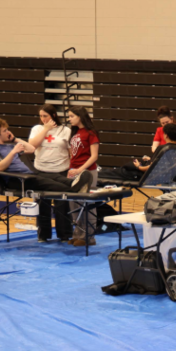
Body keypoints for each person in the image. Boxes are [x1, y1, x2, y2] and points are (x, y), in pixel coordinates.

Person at [0, 116, 90, 242]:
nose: (8, 132)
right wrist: (13, 153)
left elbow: (31, 149)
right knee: (48, 183)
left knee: (53, 176)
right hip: (17, 180)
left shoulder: (10, 146)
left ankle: (75, 183)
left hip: (29, 175)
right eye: (5, 130)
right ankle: (75, 189)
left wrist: (16, 139)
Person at [26, 104, 75, 242]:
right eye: (41, 116)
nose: (42, 119)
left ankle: (64, 234)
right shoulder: (37, 129)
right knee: (42, 204)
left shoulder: (65, 130)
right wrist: (45, 130)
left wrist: (72, 169)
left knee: (62, 204)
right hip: (41, 170)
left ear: (53, 116)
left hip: (61, 170)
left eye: (45, 116)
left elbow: (71, 152)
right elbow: (32, 146)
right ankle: (43, 235)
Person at [67, 105, 100, 247]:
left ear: (80, 116)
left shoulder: (91, 133)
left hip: (87, 172)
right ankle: (78, 233)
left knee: (87, 205)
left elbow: (94, 156)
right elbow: (72, 154)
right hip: (73, 171)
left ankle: (89, 237)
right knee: (74, 204)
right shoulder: (74, 132)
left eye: (71, 116)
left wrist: (80, 169)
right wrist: (71, 168)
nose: (69, 119)